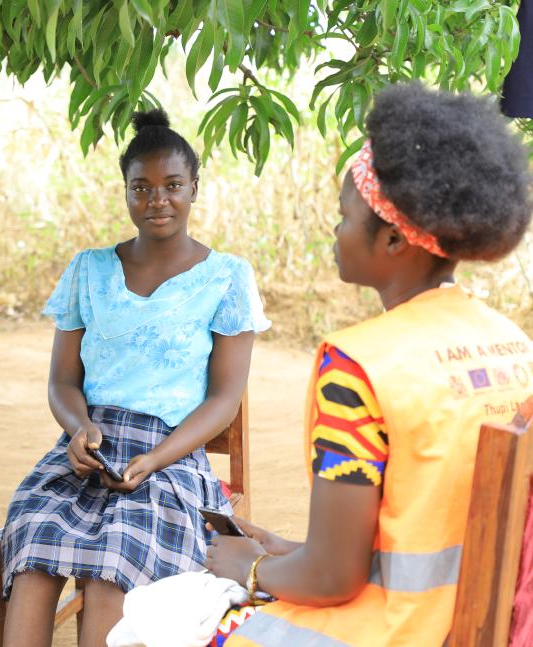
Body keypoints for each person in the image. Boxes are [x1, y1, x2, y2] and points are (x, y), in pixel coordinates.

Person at [203, 83, 533, 646]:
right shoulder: (513, 344)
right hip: (478, 621)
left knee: (171, 622)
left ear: (394, 241)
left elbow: (332, 579)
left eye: (344, 216)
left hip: (394, 630)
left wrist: (248, 567)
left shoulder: (357, 367)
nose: (334, 232)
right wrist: (289, 550)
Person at [0, 109, 271, 646]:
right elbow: (61, 381)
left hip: (170, 458)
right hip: (85, 449)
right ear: (124, 193)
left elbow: (223, 399)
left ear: (195, 188)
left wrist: (154, 458)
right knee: (32, 541)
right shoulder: (89, 269)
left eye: (172, 186)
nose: (157, 200)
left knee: (115, 564)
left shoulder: (227, 278)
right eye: (140, 187)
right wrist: (78, 430)